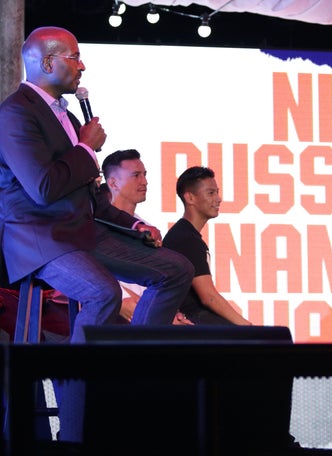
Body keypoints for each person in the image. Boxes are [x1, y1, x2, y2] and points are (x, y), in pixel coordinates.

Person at [0, 26, 194, 441]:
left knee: (175, 268)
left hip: (83, 232)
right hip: (40, 237)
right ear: (47, 62)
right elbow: (43, 187)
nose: (82, 64)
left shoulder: (67, 116)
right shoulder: (15, 112)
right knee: (102, 291)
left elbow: (94, 198)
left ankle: (127, 370)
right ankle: (74, 428)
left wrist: (134, 224)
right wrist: (87, 149)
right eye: (74, 56)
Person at [100, 148, 191, 325]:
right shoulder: (99, 224)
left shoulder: (145, 227)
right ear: (113, 183)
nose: (144, 181)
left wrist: (170, 312)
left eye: (144, 174)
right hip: (115, 313)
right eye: (136, 175)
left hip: (145, 312)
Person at [163, 166, 252, 325]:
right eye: (211, 193)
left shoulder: (186, 235)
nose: (218, 198)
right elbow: (208, 297)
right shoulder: (185, 238)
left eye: (217, 192)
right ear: (190, 198)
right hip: (193, 321)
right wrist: (247, 326)